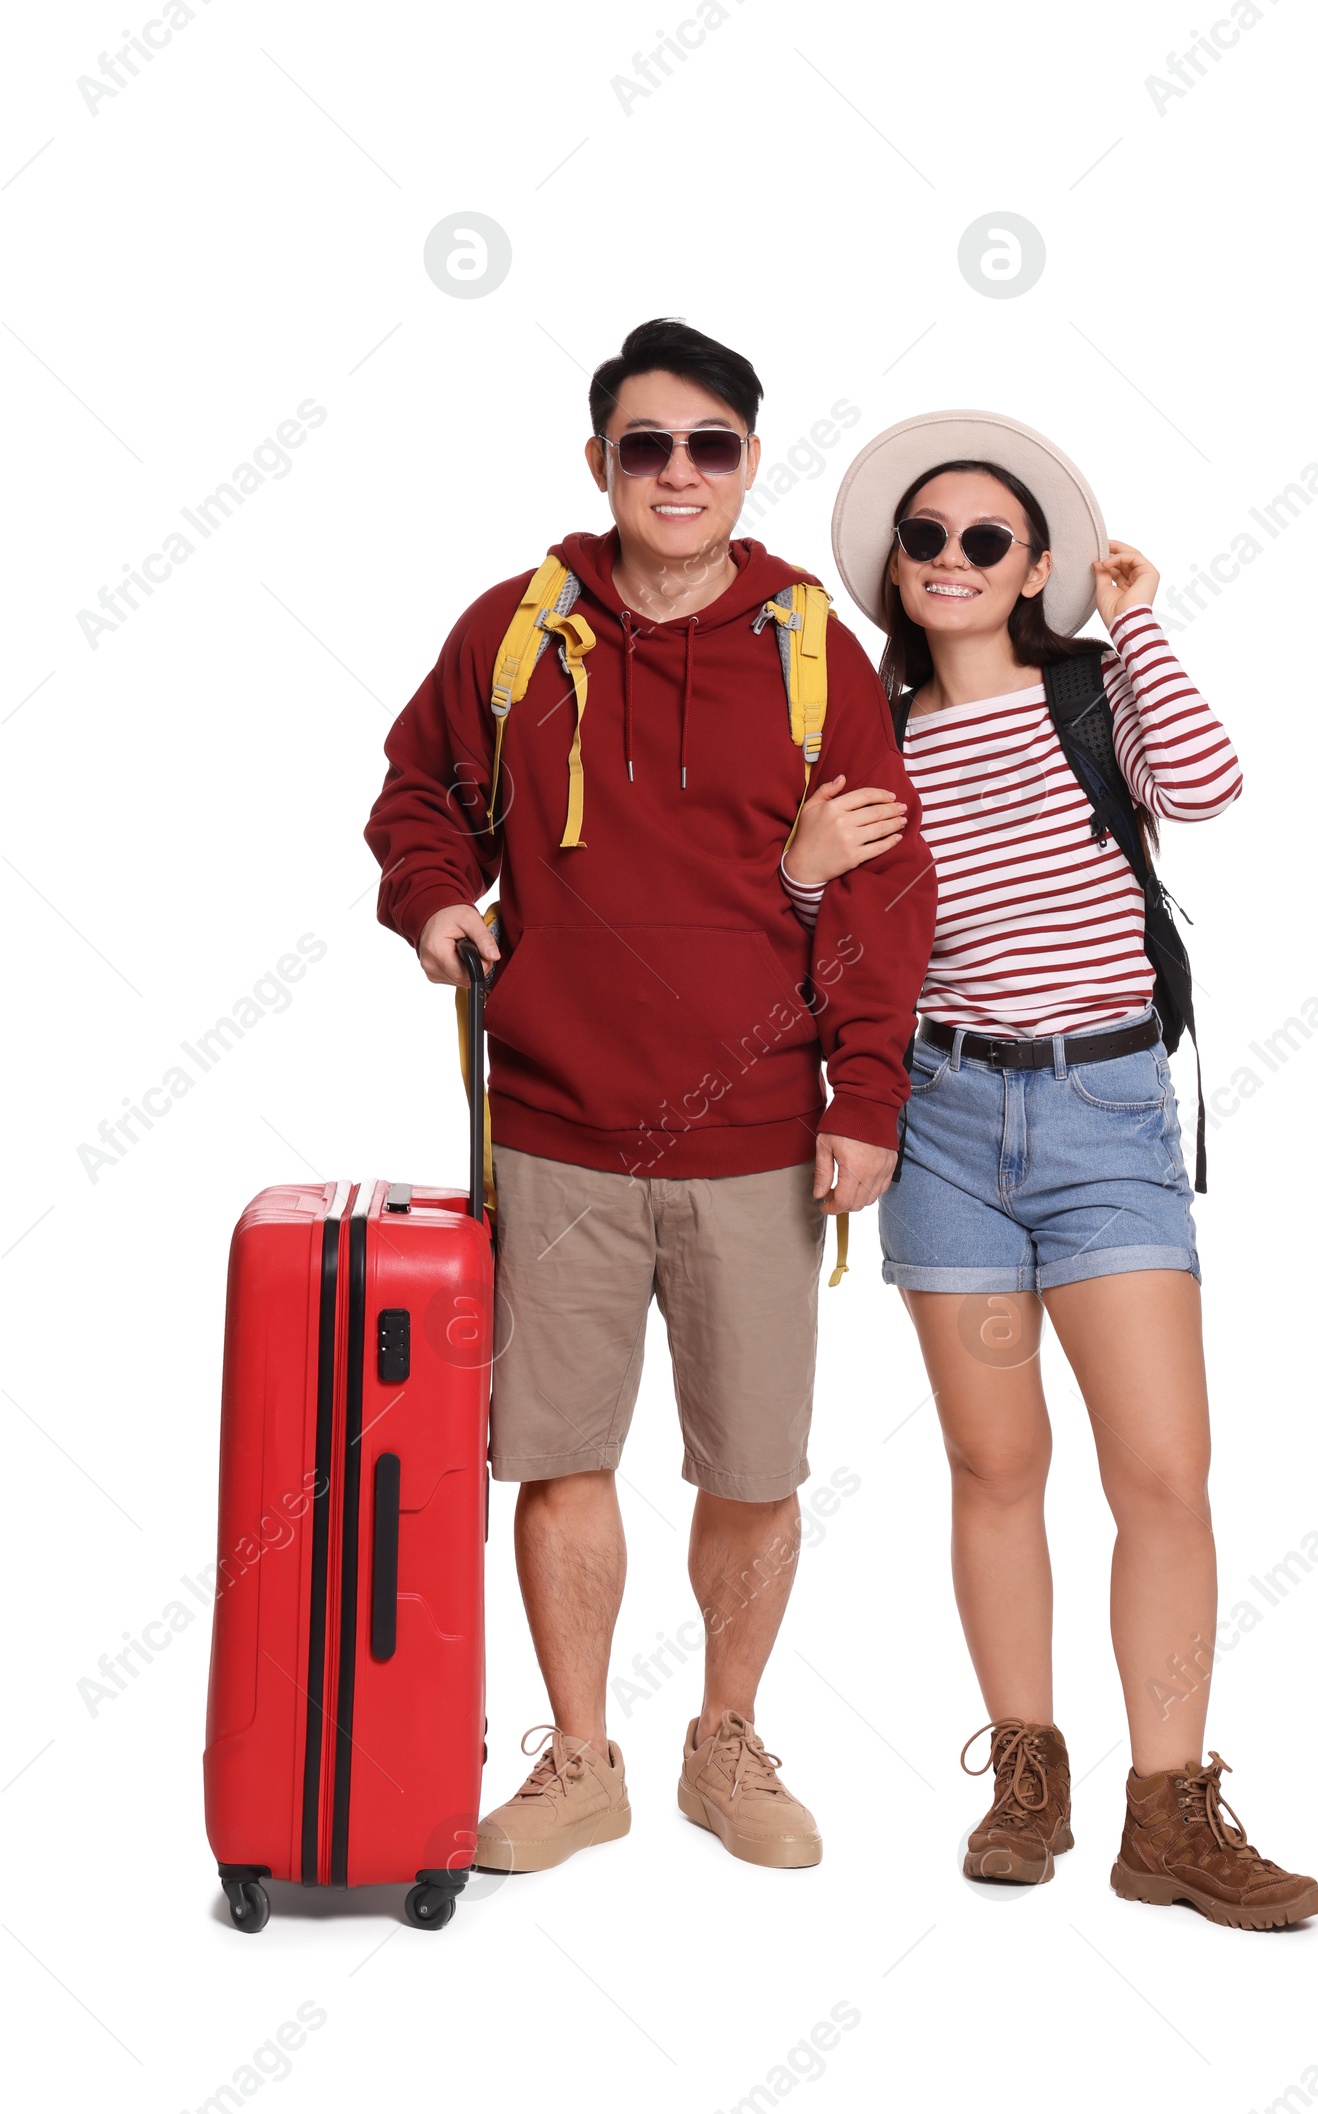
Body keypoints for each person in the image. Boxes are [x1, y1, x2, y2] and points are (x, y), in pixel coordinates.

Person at [364, 320, 935, 1874]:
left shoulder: (811, 642)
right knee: (559, 1459)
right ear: (601, 462)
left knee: (754, 1469)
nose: (677, 473)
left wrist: (864, 1092)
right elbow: (419, 791)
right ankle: (582, 1754)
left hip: (761, 1137)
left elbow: (884, 890)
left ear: (751, 462)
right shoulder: (518, 626)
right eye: (645, 445)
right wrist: (434, 903)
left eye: (710, 445)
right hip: (553, 1129)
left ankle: (725, 1738)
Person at [782, 409, 1318, 1929]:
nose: (949, 559)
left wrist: (1138, 621)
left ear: (1034, 571)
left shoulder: (1091, 696)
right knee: (995, 1464)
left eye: (985, 541)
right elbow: (813, 935)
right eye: (925, 539)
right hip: (943, 1121)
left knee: (1161, 1470)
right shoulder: (866, 735)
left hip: (1104, 1120)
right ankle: (1029, 1776)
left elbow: (1210, 787)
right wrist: (798, 868)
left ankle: (1172, 1807)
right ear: (895, 569)